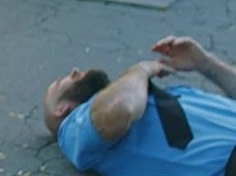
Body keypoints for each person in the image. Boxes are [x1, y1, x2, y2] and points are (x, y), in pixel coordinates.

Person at [43, 35, 236, 176]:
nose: (74, 71)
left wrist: (205, 63)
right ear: (61, 109)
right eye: (61, 82)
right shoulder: (75, 125)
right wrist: (141, 70)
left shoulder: (178, 93)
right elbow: (120, 108)